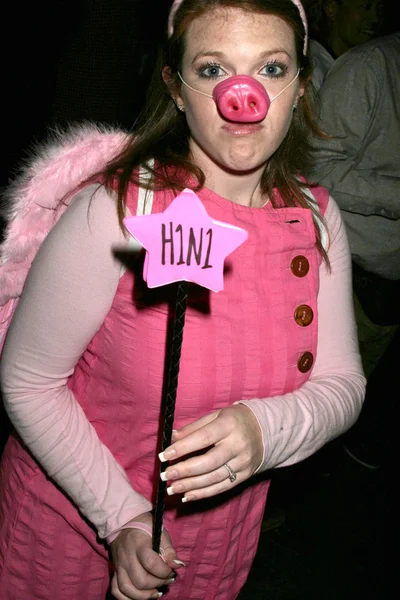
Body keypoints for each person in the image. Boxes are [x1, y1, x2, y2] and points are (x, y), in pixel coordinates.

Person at [0, 1, 365, 599]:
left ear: (301, 84)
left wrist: (266, 430)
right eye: (214, 69)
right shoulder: (118, 210)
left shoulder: (318, 218)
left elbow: (343, 385)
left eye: (271, 69)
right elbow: (28, 380)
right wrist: (120, 516)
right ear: (175, 86)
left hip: (215, 546)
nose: (242, 96)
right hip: (76, 528)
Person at [307, 31, 400, 469]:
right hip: (348, 276)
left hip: (386, 284)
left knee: (345, 405)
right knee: (310, 402)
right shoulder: (368, 68)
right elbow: (316, 170)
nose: (370, 15)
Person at [304, 0, 385, 89]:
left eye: (379, 9)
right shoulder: (313, 69)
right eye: (366, 6)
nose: (375, 18)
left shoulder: (373, 65)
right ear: (332, 9)